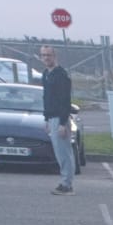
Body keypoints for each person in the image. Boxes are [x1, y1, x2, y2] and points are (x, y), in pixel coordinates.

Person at [38, 44, 76, 194]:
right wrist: (46, 119)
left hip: (60, 119)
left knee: (64, 153)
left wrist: (62, 123)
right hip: (51, 118)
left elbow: (65, 100)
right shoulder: (46, 74)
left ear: (55, 56)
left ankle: (67, 184)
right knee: (59, 152)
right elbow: (47, 98)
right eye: (43, 55)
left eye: (49, 55)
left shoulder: (61, 75)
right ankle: (65, 182)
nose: (46, 58)